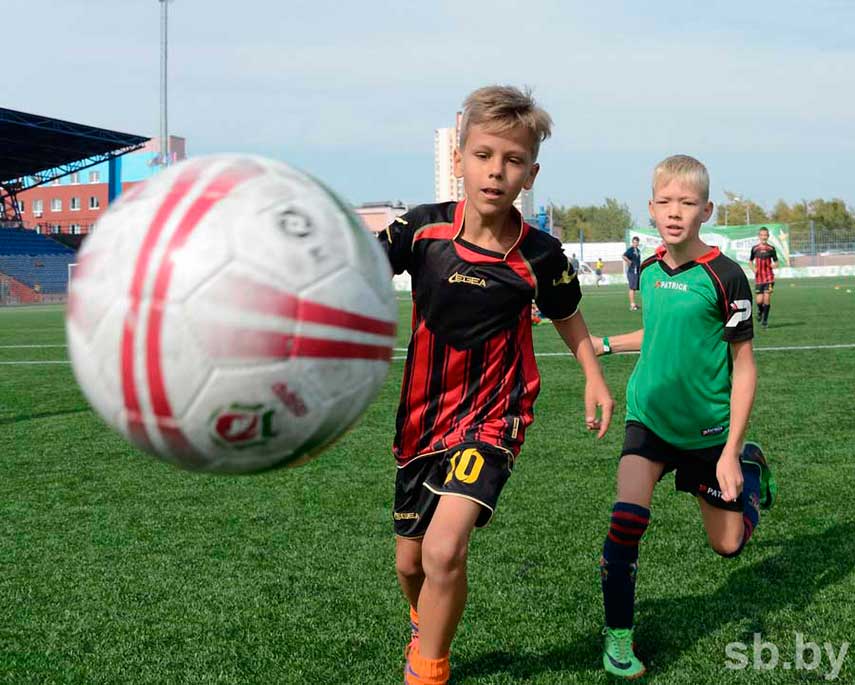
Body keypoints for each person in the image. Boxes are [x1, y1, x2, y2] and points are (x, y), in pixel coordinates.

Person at [378, 85, 614, 685]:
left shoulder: (541, 254)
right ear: (459, 158)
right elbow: (352, 273)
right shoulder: (421, 230)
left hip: (494, 418)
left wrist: (594, 375)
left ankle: (429, 668)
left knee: (443, 550)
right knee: (411, 562)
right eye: (484, 155)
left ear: (530, 173)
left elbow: (567, 316)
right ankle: (423, 616)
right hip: (421, 420)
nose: (495, 171)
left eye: (512, 161)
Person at [589, 155, 777, 679]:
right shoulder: (648, 270)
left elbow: (744, 367)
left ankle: (751, 471)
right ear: (650, 209)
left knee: (728, 545)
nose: (675, 213)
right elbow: (659, 336)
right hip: (647, 418)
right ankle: (619, 638)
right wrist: (606, 344)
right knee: (626, 521)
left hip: (708, 433)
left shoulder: (726, 276)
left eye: (687, 203)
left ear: (706, 210)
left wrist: (729, 452)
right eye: (665, 202)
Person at [749, 226, 778, 328]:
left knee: (767, 299)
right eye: (762, 235)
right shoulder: (755, 249)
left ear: (768, 236)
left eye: (765, 235)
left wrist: (774, 265)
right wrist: (753, 269)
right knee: (759, 301)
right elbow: (750, 261)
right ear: (759, 236)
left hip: (769, 278)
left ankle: (765, 321)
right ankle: (760, 312)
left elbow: (776, 262)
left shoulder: (771, 249)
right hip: (759, 278)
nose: (764, 237)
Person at [622, 236, 642, 310]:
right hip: (632, 271)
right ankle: (632, 305)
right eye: (634, 242)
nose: (635, 243)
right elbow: (624, 256)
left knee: (636, 288)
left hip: (637, 271)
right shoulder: (630, 250)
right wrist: (628, 261)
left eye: (636, 242)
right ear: (632, 242)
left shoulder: (638, 250)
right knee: (632, 288)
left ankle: (634, 304)